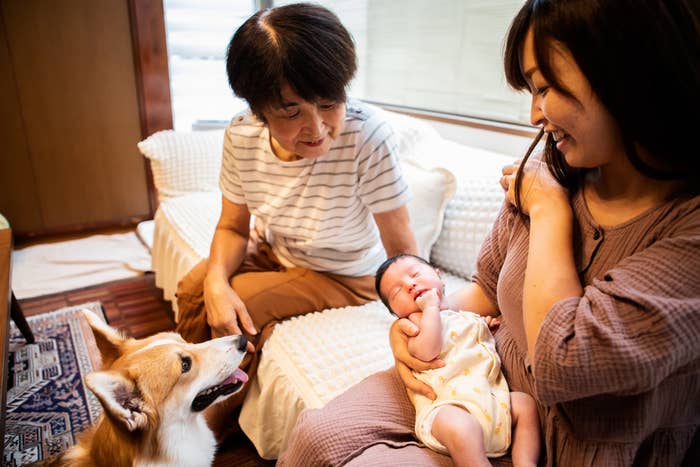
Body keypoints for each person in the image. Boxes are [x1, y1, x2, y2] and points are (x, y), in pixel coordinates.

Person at [278, 0, 700, 465]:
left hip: (564, 436)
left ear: (628, 72)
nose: (535, 116)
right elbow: (485, 290)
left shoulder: (678, 229)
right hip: (482, 374)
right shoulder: (548, 166)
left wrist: (550, 210)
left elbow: (562, 361)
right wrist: (414, 324)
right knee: (316, 436)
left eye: (545, 87)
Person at [174, 2, 418, 437]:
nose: (317, 127)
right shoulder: (241, 134)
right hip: (276, 248)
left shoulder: (368, 135)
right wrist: (214, 281)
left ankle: (203, 426)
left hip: (343, 273)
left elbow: (403, 252)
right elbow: (232, 227)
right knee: (194, 288)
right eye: (291, 112)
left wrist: (420, 313)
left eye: (329, 103)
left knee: (242, 303)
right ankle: (182, 396)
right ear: (259, 109)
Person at [376, 254, 541, 467]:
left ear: (438, 275)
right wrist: (431, 309)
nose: (410, 284)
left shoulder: (464, 316)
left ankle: (525, 462)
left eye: (415, 274)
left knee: (525, 405)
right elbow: (428, 351)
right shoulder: (412, 325)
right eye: (397, 291)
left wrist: (483, 328)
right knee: (460, 427)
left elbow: (469, 342)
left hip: (490, 401)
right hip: (449, 407)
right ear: (395, 313)